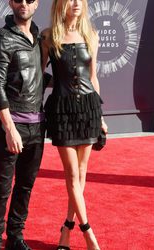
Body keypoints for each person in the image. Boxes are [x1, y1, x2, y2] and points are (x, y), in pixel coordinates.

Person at [41, 0, 108, 249]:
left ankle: (66, 228)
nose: (77, 3)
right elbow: (39, 75)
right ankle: (88, 232)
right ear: (60, 4)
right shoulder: (48, 36)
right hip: (62, 110)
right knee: (71, 174)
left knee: (81, 174)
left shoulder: (91, 34)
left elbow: (93, 77)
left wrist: (100, 115)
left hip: (89, 108)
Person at [0, 0, 45, 249]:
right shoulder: (1, 39)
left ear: (36, 4)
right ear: (11, 2)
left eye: (29, 0)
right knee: (2, 186)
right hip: (13, 126)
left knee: (25, 186)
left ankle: (16, 236)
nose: (24, 4)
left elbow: (37, 76)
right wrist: (9, 129)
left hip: (38, 126)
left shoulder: (39, 38)